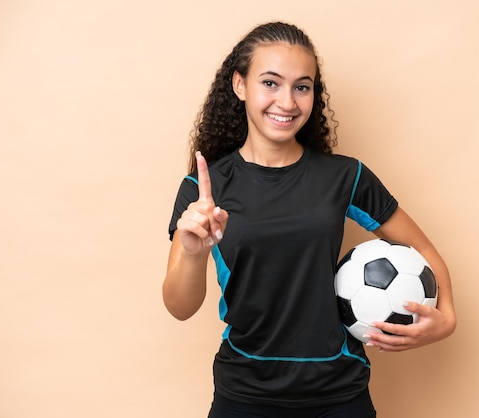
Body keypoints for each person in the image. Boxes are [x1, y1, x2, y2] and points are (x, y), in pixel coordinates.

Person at [163, 21, 456, 417]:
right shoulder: (205, 189)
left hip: (339, 395)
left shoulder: (344, 177)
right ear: (239, 85)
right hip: (244, 394)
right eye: (270, 83)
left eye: (302, 86)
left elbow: (420, 248)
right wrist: (193, 250)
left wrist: (447, 319)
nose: (287, 102)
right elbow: (180, 307)